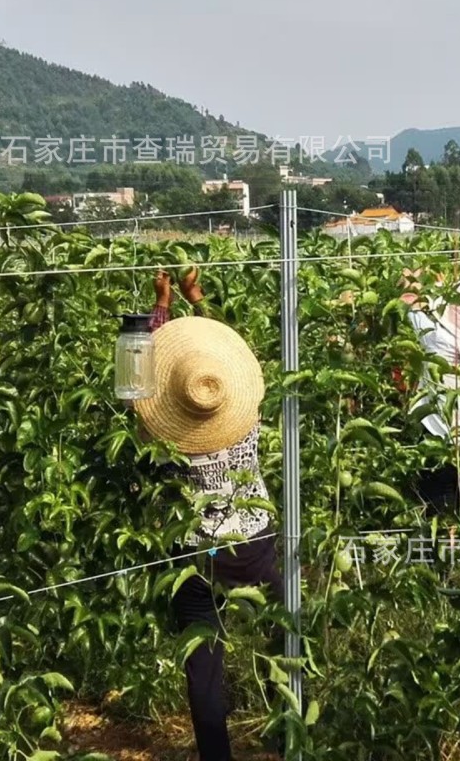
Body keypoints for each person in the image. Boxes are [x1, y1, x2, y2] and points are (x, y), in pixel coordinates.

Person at [136, 268, 284, 761]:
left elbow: (134, 387)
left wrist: (155, 311)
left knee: (204, 664)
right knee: (285, 627)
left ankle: (216, 757)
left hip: (197, 552)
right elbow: (220, 363)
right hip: (256, 539)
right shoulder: (246, 414)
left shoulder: (162, 440)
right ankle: (289, 726)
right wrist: (197, 299)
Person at [399, 269, 460, 513]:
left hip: (438, 438)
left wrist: (422, 276)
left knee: (434, 510)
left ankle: (436, 550)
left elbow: (408, 299)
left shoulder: (437, 337)